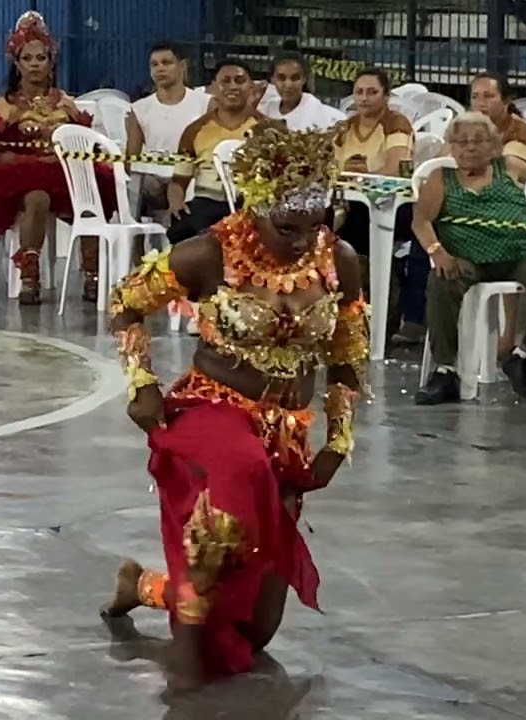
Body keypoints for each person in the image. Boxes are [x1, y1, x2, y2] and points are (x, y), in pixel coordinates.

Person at [100, 123, 369, 689]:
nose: (301, 241)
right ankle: (189, 670)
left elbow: (348, 351)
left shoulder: (338, 260)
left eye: (314, 224)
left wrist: (339, 438)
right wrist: (141, 381)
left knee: (254, 630)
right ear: (256, 205)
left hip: (287, 431)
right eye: (286, 227)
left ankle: (144, 588)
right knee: (230, 502)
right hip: (214, 411)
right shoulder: (209, 252)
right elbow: (125, 303)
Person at [0, 11, 115, 305]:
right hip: (18, 177)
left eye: (41, 58)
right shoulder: (4, 106)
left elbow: (85, 143)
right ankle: (29, 277)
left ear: (51, 63)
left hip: (64, 173)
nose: (35, 64)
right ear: (17, 63)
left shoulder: (65, 103)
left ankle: (93, 276)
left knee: (93, 191)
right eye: (27, 58)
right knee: (37, 196)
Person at [411, 112, 526, 405]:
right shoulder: (440, 178)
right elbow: (420, 221)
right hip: (466, 260)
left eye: (479, 141)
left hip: (519, 255)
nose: (470, 147)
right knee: (440, 281)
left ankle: (522, 356)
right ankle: (445, 371)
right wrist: (437, 253)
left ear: (495, 145)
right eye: (462, 141)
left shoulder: (511, 167)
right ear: (451, 147)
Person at [332, 67, 419, 340]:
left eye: (372, 92)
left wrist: (360, 176)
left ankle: (380, 317)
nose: (364, 98)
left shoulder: (397, 124)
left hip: (395, 205)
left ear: (386, 95)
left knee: (351, 230)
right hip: (350, 203)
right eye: (359, 92)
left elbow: (395, 168)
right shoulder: (345, 127)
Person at [166, 59, 263, 244]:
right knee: (182, 229)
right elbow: (179, 181)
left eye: (240, 81)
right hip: (207, 202)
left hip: (251, 205)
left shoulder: (268, 129)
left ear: (251, 87)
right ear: (213, 88)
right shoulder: (194, 130)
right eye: (226, 81)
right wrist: (175, 202)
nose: (233, 86)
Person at [126, 42, 213, 218]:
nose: (160, 69)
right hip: (153, 181)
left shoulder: (205, 104)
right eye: (154, 65)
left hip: (192, 178)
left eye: (166, 63)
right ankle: (135, 242)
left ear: (182, 66)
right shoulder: (139, 109)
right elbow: (130, 160)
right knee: (136, 185)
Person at [470, 72, 526, 169]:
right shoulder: (467, 126)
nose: (480, 103)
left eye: (488, 96)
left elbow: (508, 168)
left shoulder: (519, 132)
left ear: (506, 101)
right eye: (474, 97)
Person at [258, 50, 341, 131]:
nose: (288, 84)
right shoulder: (268, 108)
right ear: (272, 79)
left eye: (295, 78)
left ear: (304, 79)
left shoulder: (324, 114)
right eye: (281, 78)